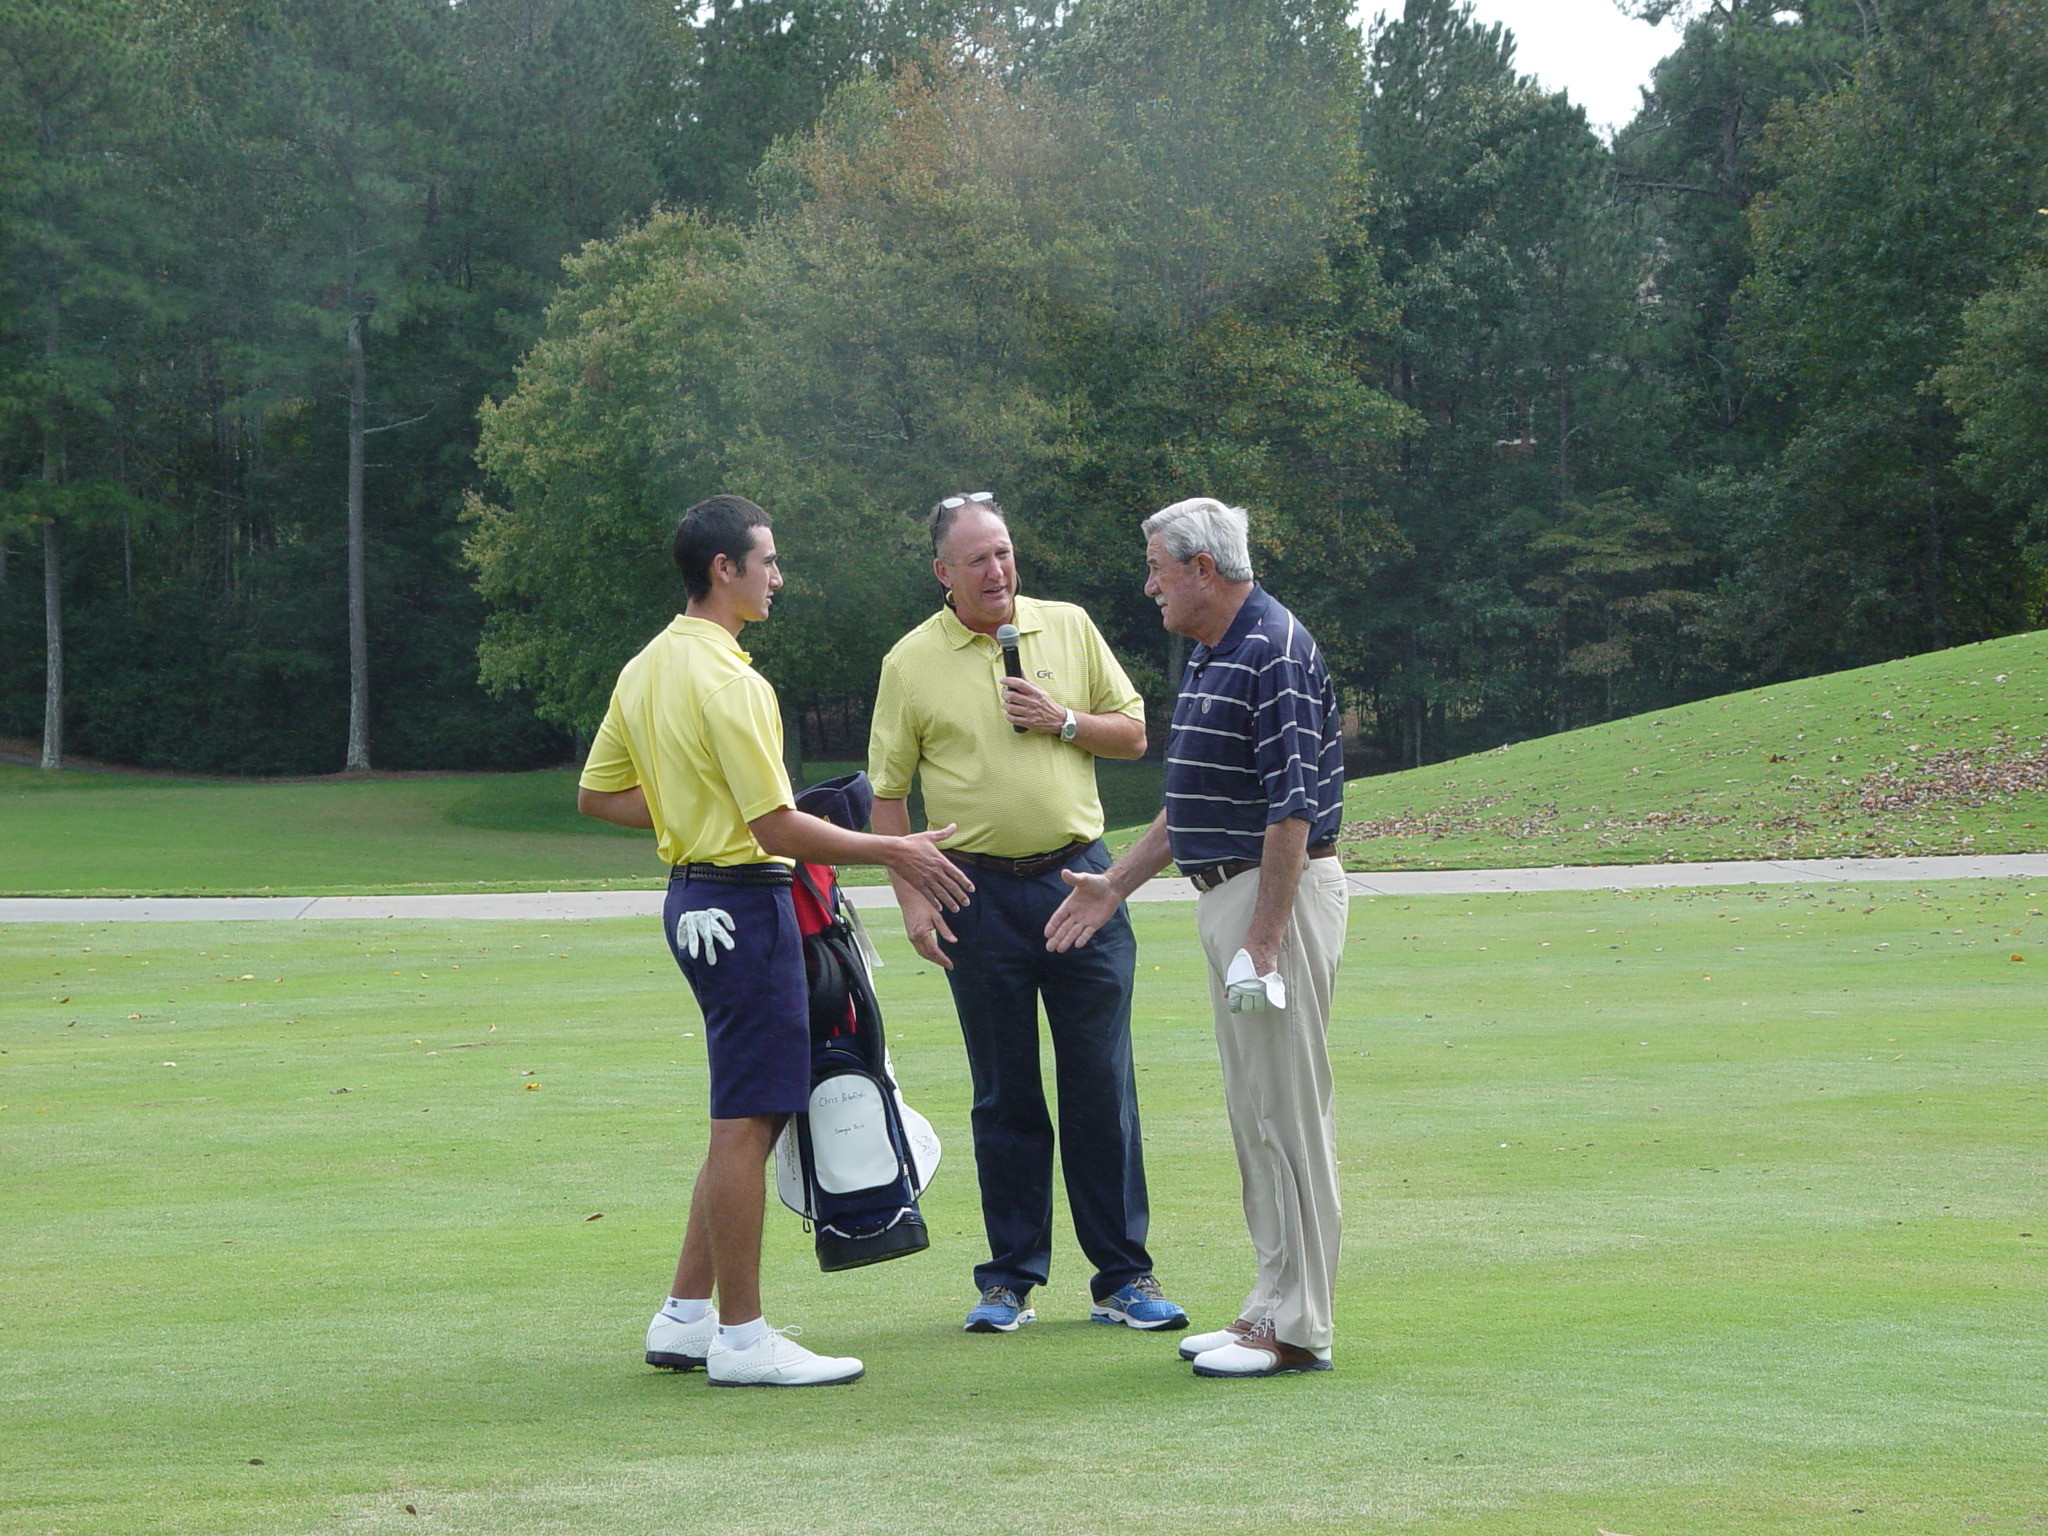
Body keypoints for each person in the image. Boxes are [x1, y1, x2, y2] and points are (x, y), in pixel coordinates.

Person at [578, 493, 973, 1388]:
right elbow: (777, 828)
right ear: (726, 569)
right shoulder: (732, 681)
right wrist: (891, 847)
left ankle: (685, 1317)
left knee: (743, 1118)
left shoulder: (646, 668)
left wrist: (691, 813)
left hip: (692, 900)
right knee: (746, 1119)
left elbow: (600, 796)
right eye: (768, 559)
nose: (778, 575)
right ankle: (744, 1338)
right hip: (745, 907)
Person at [867, 491, 1187, 1335]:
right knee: (1004, 1094)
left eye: (1003, 552)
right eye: (977, 559)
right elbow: (888, 795)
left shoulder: (1068, 626)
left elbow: (1132, 733)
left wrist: (1064, 720)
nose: (997, 570)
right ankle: (1009, 1279)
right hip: (972, 893)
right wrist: (910, 899)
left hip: (1082, 884)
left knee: (1101, 1087)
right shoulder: (910, 662)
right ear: (944, 573)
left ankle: (1124, 1277)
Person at [1047, 496, 1348, 1378]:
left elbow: (1291, 810)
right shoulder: (1219, 651)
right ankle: (1266, 1308)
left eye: (1157, 570)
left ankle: (1300, 1329)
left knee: (1289, 1114)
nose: (1150, 588)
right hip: (1230, 894)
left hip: (1273, 901)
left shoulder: (1276, 649)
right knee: (1254, 1111)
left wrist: (1264, 940)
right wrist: (1114, 884)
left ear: (1203, 570)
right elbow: (1192, 802)